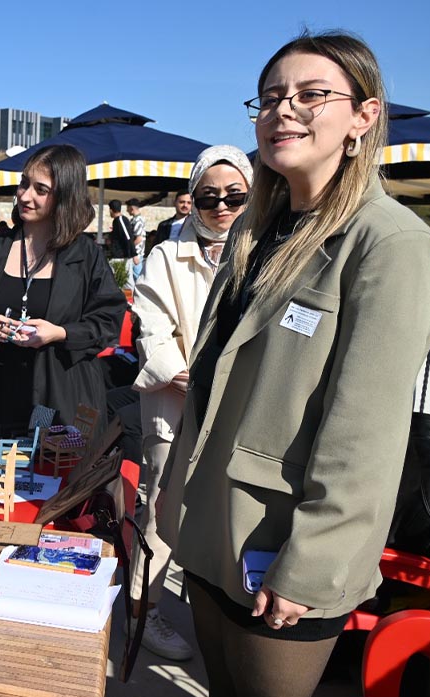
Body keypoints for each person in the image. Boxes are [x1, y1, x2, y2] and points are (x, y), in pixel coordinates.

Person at [157, 32, 430, 697]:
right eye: (271, 98)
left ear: (363, 117)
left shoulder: (389, 243)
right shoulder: (257, 233)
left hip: (283, 545)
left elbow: (365, 434)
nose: (283, 111)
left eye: (311, 95)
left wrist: (312, 564)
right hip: (210, 530)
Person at [129, 145, 254, 663]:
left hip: (242, 409)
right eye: (209, 198)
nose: (222, 207)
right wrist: (193, 379)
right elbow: (152, 328)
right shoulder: (166, 254)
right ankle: (143, 612)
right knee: (157, 510)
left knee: (233, 512)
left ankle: (222, 615)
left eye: (235, 196)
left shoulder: (266, 249)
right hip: (177, 402)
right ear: (193, 200)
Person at [0, 145, 127, 450]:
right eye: (23, 184)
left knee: (53, 484)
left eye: (40, 189)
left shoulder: (85, 257)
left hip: (61, 396)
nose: (24, 196)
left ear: (64, 196)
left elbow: (108, 321)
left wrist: (59, 333)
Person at [149, 191, 193, 256]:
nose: (185, 205)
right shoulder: (163, 225)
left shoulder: (195, 225)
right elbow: (156, 246)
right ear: (174, 203)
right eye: (182, 202)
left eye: (189, 203)